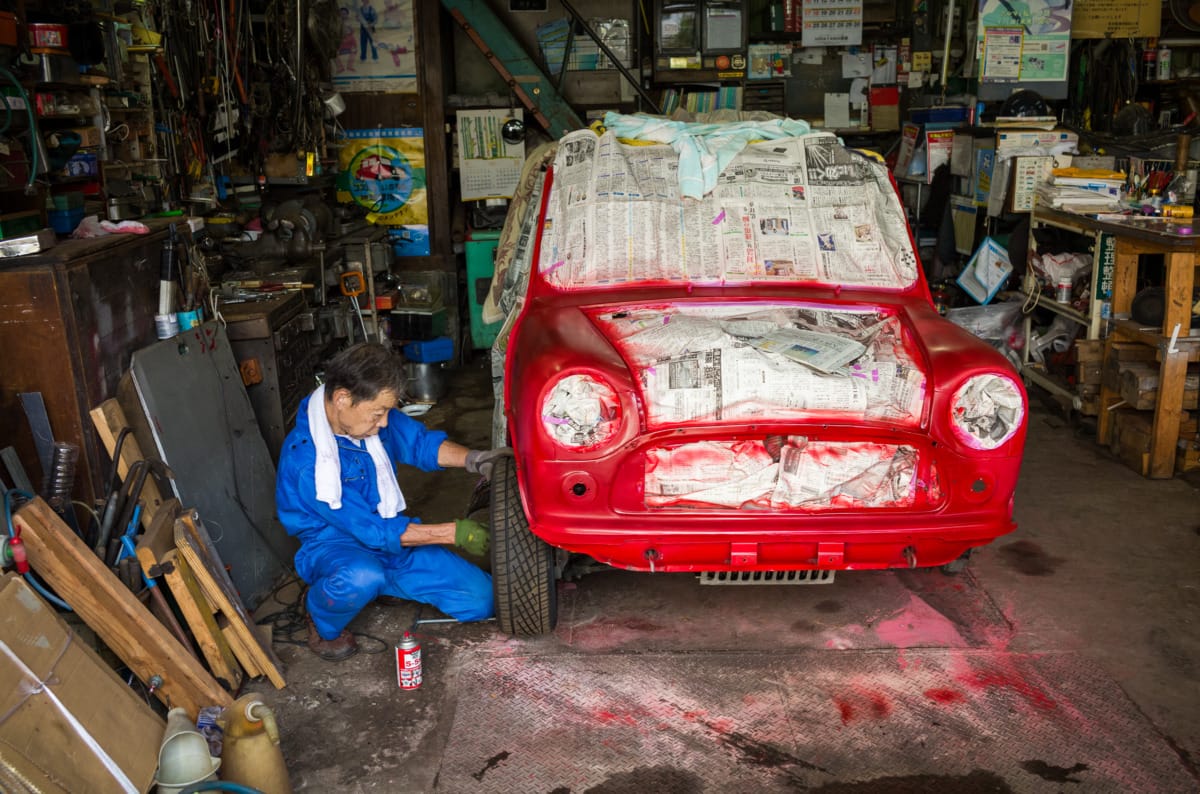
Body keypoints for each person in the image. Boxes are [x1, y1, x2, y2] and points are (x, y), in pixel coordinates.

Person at [275, 342, 507, 661]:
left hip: (391, 543)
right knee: (362, 576)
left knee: (482, 600)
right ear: (342, 398)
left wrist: (477, 459)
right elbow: (373, 531)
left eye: (387, 412)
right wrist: (455, 533)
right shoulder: (308, 462)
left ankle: (384, 585)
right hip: (334, 547)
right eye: (378, 413)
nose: (384, 422)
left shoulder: (363, 419)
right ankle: (318, 611)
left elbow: (420, 444)